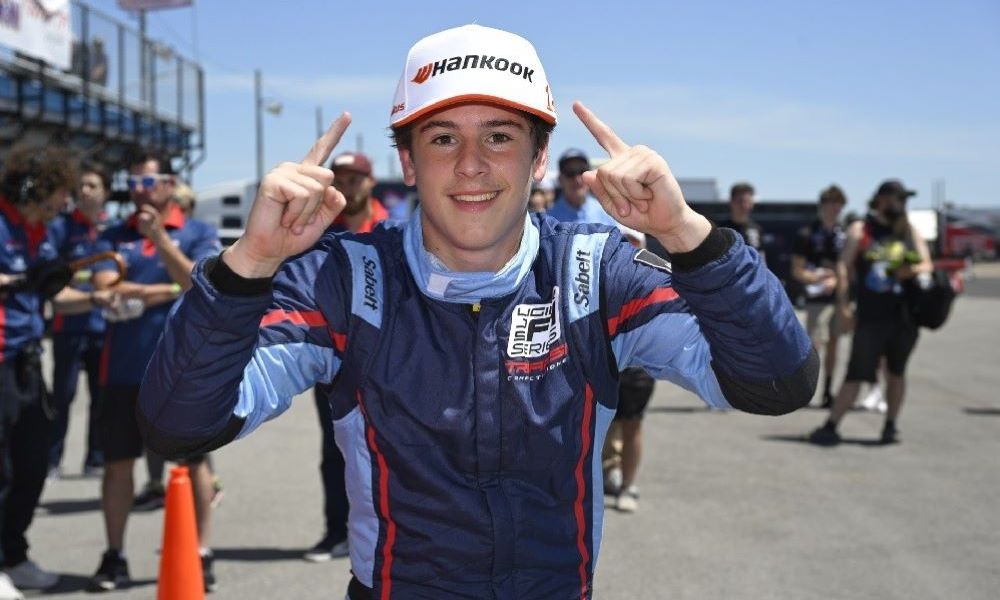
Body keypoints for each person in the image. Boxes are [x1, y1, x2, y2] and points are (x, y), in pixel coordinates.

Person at [138, 25, 816, 599]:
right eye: (440, 139)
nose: (470, 165)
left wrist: (689, 236)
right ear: (406, 159)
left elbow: (775, 383)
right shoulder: (346, 278)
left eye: (499, 136)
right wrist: (249, 263)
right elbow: (179, 426)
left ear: (538, 157)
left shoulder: (594, 270)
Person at [87, 153, 222, 593]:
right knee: (118, 464)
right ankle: (114, 555)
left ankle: (200, 552)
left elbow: (199, 283)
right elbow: (104, 289)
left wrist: (161, 242)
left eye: (151, 180)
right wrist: (162, 289)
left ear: (170, 184)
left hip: (181, 370)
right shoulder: (112, 235)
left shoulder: (198, 231)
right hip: (121, 369)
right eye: (135, 181)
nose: (142, 189)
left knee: (193, 462)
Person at [0, 146, 113, 598]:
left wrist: (96, 300)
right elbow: (23, 283)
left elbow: (53, 295)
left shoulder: (38, 232)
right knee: (2, 468)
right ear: (35, 189)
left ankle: (13, 553)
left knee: (31, 462)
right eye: (57, 198)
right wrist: (20, 281)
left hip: (26, 359)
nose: (61, 207)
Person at [304, 151, 388, 563]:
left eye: (356, 178)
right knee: (334, 450)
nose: (349, 185)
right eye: (342, 179)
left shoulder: (397, 228)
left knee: (394, 449)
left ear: (370, 182)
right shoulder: (320, 232)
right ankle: (336, 531)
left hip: (390, 362)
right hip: (335, 362)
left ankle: (392, 535)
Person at [809, 180, 932, 446]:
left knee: (896, 372)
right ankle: (831, 425)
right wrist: (843, 305)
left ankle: (890, 425)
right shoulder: (862, 229)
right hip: (871, 315)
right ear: (882, 200)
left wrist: (909, 270)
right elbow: (843, 267)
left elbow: (926, 263)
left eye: (903, 200)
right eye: (896, 199)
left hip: (903, 316)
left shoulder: (908, 230)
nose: (901, 205)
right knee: (857, 371)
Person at [46, 162, 115, 479]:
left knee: (101, 398)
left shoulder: (110, 230)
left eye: (91, 185)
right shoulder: (60, 228)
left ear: (105, 193)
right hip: (70, 327)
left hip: (104, 327)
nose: (84, 191)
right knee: (63, 395)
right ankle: (51, 460)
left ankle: (95, 459)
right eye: (81, 186)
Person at [791, 185, 847, 408]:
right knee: (815, 345)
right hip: (817, 298)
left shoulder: (844, 234)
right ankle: (806, 389)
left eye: (838, 204)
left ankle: (828, 390)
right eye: (830, 203)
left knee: (835, 344)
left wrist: (838, 282)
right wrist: (818, 280)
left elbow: (851, 266)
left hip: (840, 297)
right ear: (822, 206)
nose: (834, 209)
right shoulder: (807, 233)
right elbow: (797, 270)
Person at [547, 148, 619, 228]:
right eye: (570, 173)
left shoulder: (606, 212)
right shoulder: (549, 220)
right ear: (560, 179)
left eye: (582, 171)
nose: (577, 180)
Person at [719, 182, 765, 261]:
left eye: (748, 201)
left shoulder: (756, 228)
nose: (744, 206)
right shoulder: (722, 229)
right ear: (731, 202)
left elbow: (761, 255)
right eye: (740, 201)